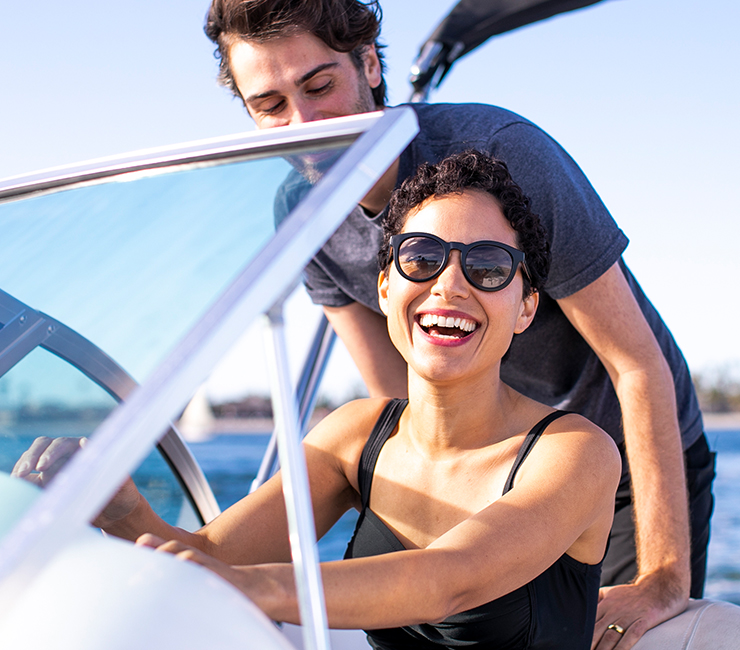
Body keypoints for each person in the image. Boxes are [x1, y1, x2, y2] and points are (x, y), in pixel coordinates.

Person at [202, 1, 716, 647]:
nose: (304, 124)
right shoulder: (301, 213)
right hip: (472, 464)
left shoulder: (503, 154)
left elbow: (635, 364)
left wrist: (664, 575)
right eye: (270, 105)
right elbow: (399, 399)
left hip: (620, 456)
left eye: (320, 86)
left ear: (367, 63)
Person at [14, 151, 622, 649]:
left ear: (526, 308)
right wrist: (121, 511)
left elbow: (450, 582)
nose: (449, 284)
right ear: (385, 287)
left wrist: (258, 590)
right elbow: (208, 558)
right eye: (421, 258)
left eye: (488, 266)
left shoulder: (575, 454)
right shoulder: (355, 435)